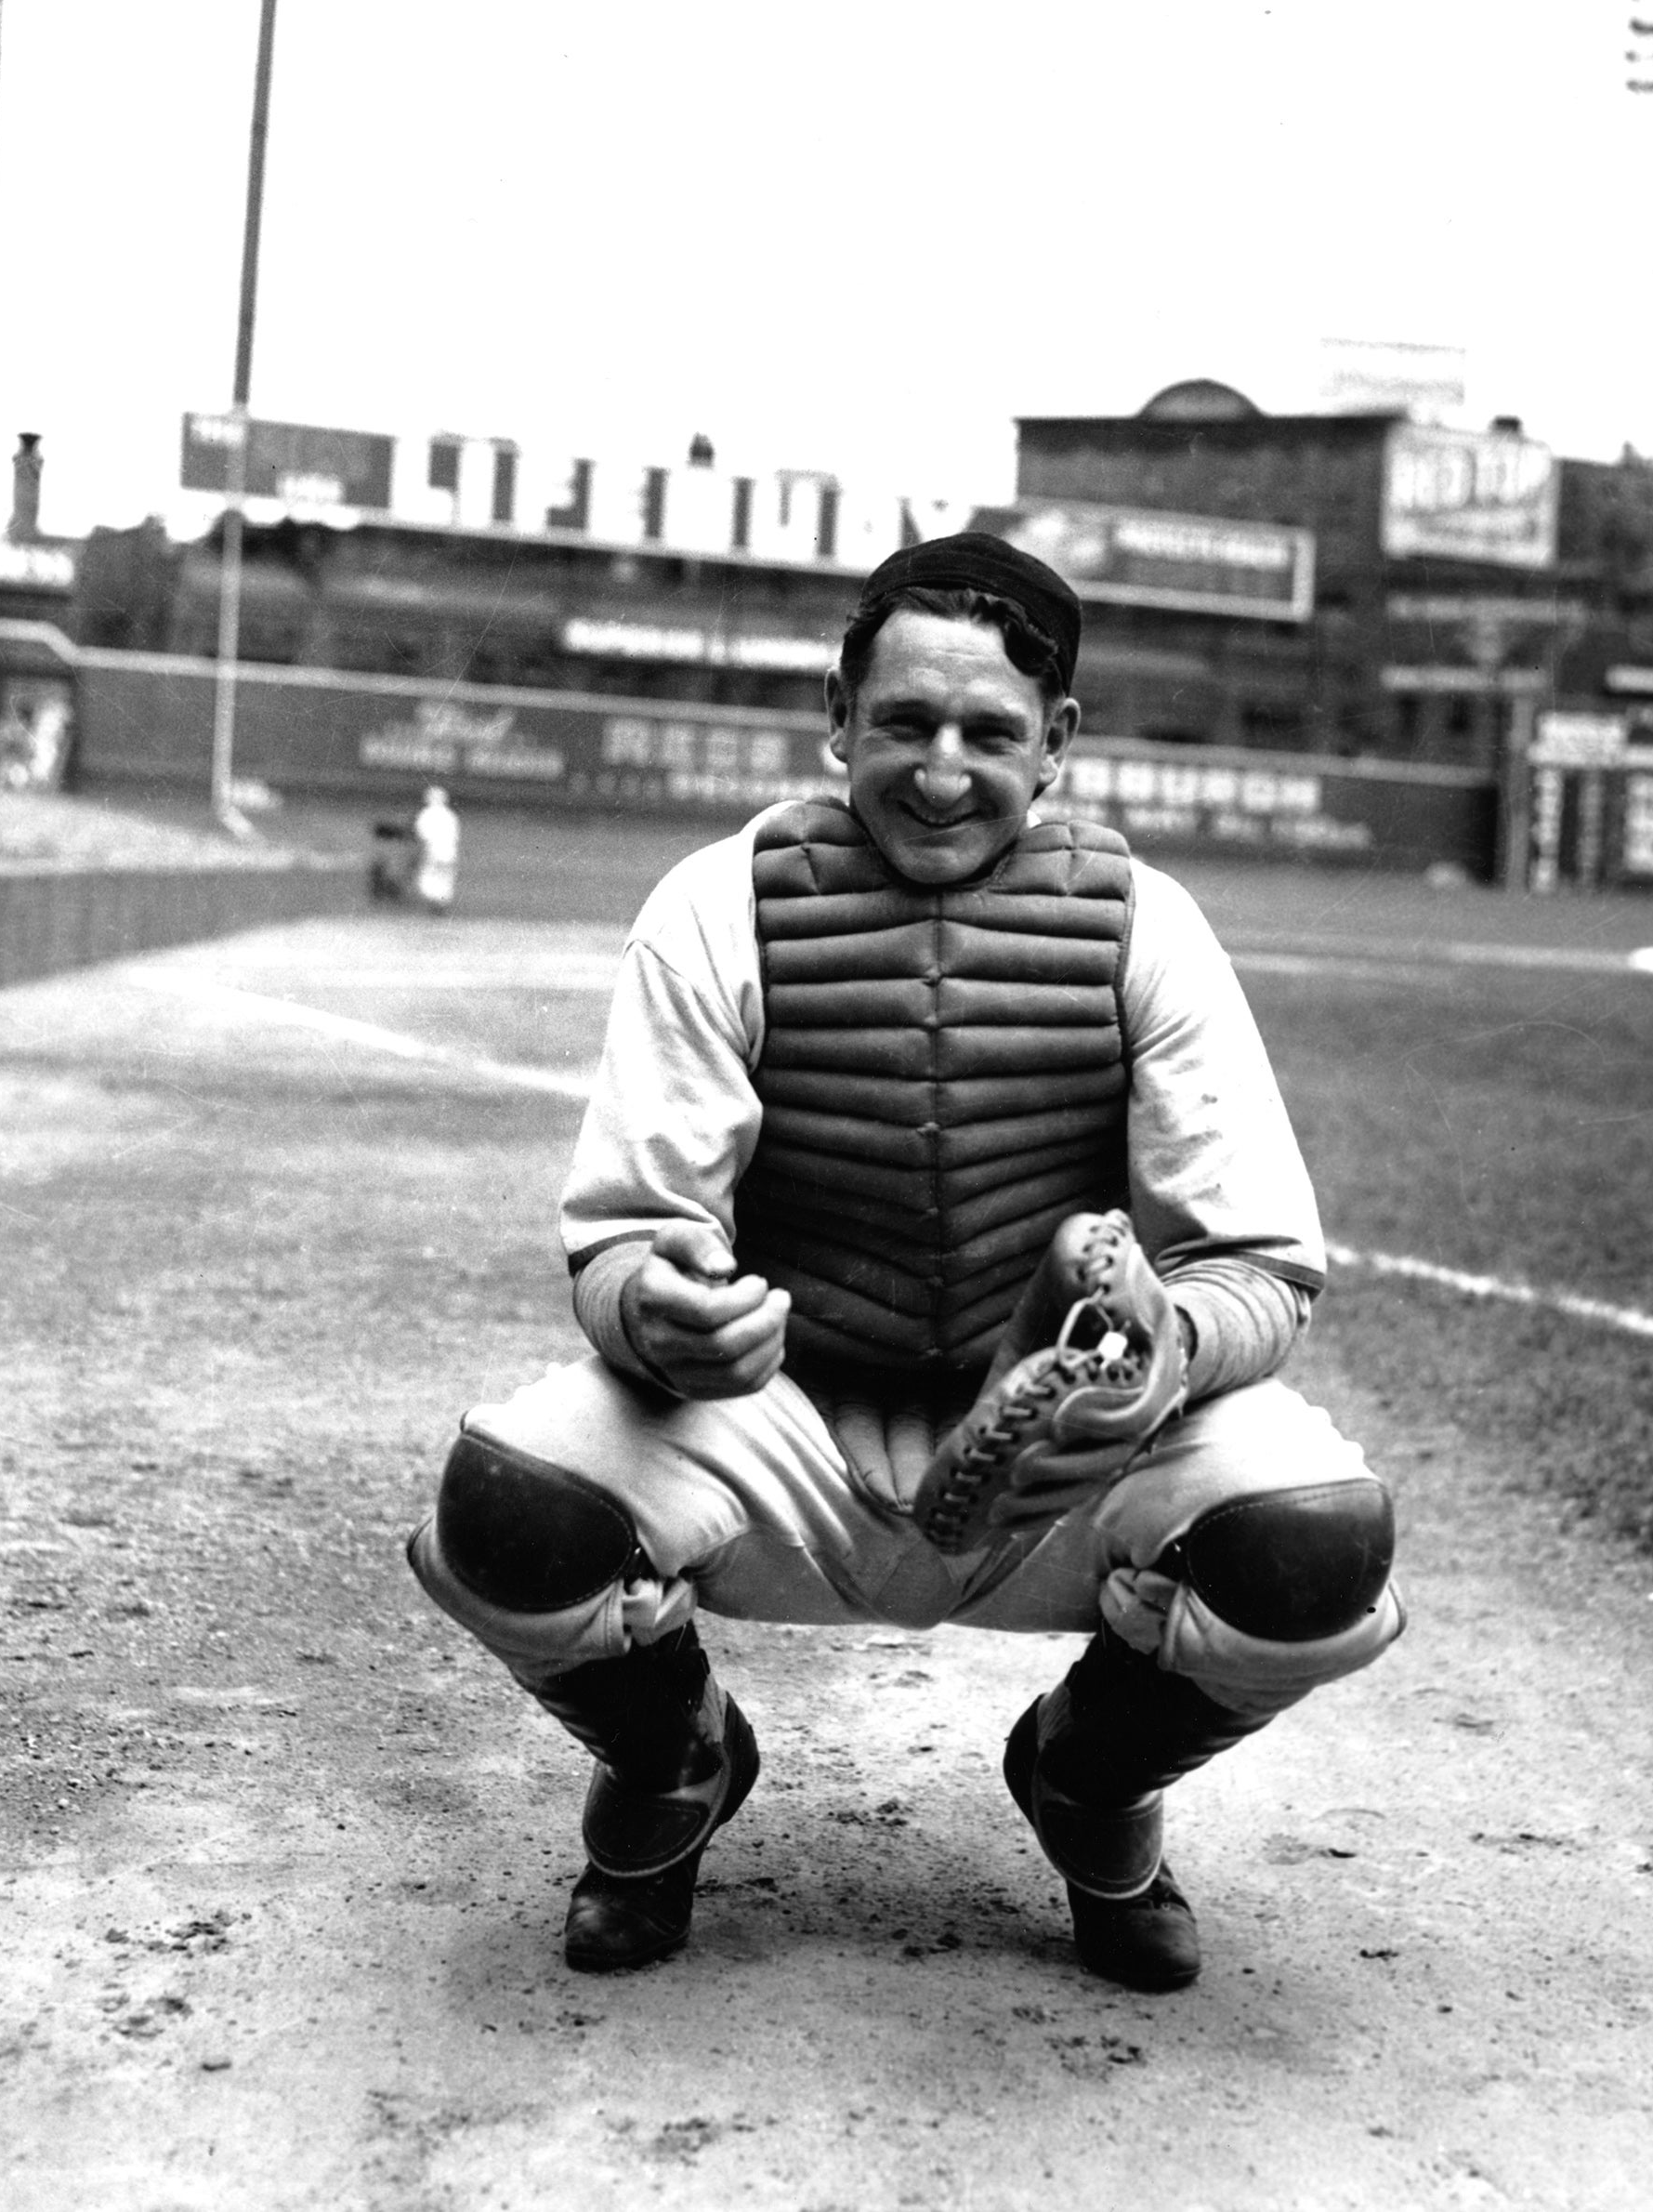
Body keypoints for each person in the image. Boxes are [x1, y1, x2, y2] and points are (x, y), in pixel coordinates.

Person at [407, 533, 1405, 1993]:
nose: (941, 770)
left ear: (1055, 742)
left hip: (1058, 1450)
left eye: (989, 732)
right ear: (837, 717)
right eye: (904, 725)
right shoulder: (719, 904)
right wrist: (661, 1313)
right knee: (511, 1507)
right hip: (784, 1432)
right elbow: (627, 1234)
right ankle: (673, 1761)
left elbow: (1258, 1260)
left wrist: (1170, 1347)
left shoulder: (1149, 927)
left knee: (1313, 1540)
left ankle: (1090, 1775)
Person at [413, 784, 460, 913]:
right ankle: (440, 908)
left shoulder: (426, 814)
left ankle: (436, 908)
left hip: (432, 852)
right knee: (445, 881)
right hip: (450, 853)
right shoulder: (451, 815)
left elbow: (421, 837)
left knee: (428, 881)